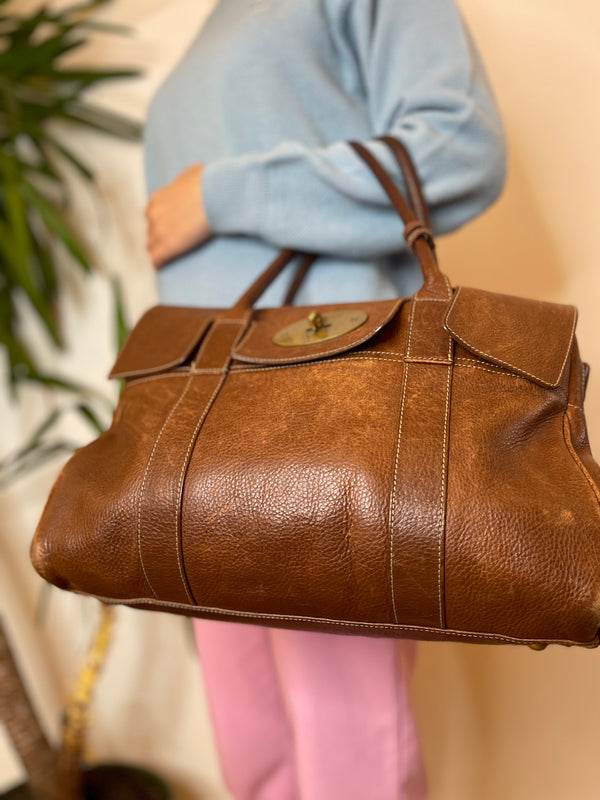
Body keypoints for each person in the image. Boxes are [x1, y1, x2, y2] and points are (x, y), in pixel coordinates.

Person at [142, 1, 507, 798]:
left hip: (323, 397)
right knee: (249, 729)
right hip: (201, 420)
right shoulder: (215, 19)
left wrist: (223, 193)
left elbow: (462, 147)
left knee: (347, 725)